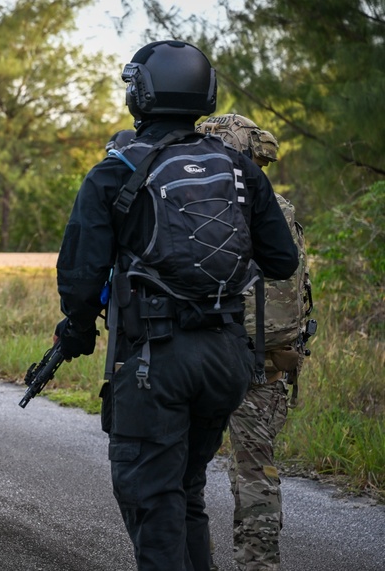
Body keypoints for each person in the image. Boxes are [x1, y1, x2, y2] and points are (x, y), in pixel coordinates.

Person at [54, 41, 299, 570]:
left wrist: (77, 328)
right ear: (204, 94)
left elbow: (79, 281)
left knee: (150, 494)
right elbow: (281, 260)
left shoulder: (114, 172)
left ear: (138, 94)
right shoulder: (240, 168)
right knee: (186, 488)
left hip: (155, 361)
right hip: (227, 359)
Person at [196, 114, 312, 571]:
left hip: (205, 356)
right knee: (255, 476)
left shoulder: (197, 204)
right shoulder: (279, 209)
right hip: (267, 365)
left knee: (184, 477)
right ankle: (258, 566)